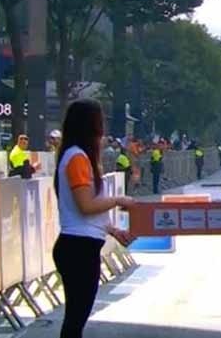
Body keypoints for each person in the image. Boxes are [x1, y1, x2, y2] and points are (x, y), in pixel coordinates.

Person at [52, 99, 136, 338]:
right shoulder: (77, 158)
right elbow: (86, 205)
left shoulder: (76, 156)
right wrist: (119, 200)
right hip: (78, 248)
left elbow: (86, 209)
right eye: (100, 122)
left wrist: (112, 230)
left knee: (76, 318)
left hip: (79, 245)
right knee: (75, 321)